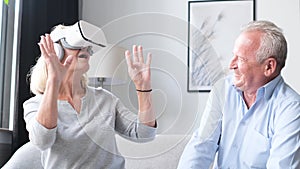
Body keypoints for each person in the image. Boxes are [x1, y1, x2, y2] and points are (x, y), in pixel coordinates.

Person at [21, 20, 156, 169]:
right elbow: (42, 141)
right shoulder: (35, 105)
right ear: (56, 52)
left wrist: (143, 88)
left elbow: (145, 134)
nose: (84, 49)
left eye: (87, 48)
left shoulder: (105, 99)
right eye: (76, 46)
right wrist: (54, 80)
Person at [177, 20, 300, 169]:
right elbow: (201, 145)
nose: (231, 65)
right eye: (233, 55)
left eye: (241, 59)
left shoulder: (291, 108)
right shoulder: (222, 89)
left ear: (269, 66)